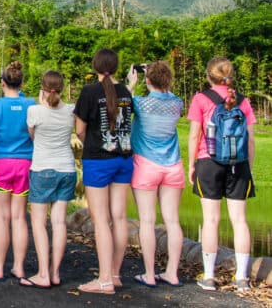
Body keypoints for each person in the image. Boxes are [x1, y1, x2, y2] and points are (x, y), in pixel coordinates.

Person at [187, 57, 256, 293]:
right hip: (239, 165)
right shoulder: (243, 100)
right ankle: (242, 278)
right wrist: (249, 168)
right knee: (239, 221)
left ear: (208, 76)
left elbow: (194, 136)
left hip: (209, 162)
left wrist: (191, 165)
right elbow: (250, 140)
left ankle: (208, 276)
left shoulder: (201, 99)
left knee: (211, 220)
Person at [74, 48, 133, 295]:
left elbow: (79, 130)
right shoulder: (127, 93)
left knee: (100, 221)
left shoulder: (89, 92)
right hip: (124, 160)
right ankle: (116, 274)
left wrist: (92, 141)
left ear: (95, 66)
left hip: (98, 161)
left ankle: (105, 280)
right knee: (119, 218)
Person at [126, 61, 184, 288]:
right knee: (172, 221)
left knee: (147, 221)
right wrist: (155, 72)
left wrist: (132, 83)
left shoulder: (140, 103)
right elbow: (167, 93)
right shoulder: (177, 103)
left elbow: (125, 101)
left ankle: (149, 274)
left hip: (145, 165)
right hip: (173, 165)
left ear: (147, 81)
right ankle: (172, 273)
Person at [0, 61, 35, 283]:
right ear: (22, 83)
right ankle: (19, 267)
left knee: (1, 218)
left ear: (2, 83)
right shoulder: (31, 104)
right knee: (19, 218)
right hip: (25, 164)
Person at [26, 70, 76, 288]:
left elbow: (33, 136)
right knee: (59, 223)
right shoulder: (71, 111)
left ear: (43, 89)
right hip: (67, 169)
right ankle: (55, 273)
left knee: (39, 223)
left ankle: (43, 273)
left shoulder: (34, 111)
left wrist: (41, 103)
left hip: (42, 169)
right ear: (62, 88)